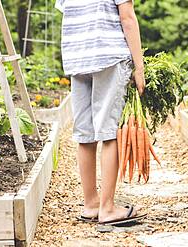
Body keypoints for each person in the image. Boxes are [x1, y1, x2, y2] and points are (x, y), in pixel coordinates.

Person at [55, 0, 146, 225]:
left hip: (77, 59)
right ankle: (107, 208)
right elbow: (127, 18)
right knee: (109, 132)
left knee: (84, 134)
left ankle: (91, 205)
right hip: (108, 57)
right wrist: (139, 67)